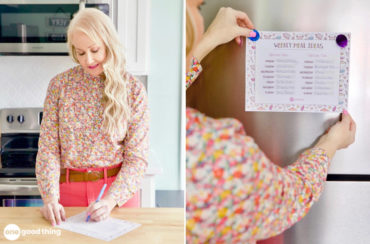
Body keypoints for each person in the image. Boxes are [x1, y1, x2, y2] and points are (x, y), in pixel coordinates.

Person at [186, 1, 356, 243]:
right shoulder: (218, 148)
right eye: (199, 8)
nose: (201, 19)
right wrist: (330, 143)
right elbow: (287, 200)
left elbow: (166, 99)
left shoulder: (155, 120)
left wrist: (206, 43)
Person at [36, 8, 149, 226]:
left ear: (109, 43)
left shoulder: (133, 90)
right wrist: (50, 198)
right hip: (68, 194)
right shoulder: (59, 86)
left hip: (117, 195)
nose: (88, 60)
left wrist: (109, 201)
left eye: (95, 50)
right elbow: (49, 148)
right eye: (80, 52)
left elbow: (137, 158)